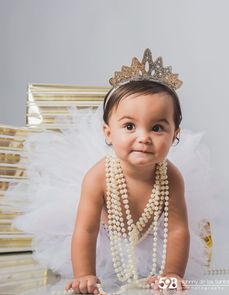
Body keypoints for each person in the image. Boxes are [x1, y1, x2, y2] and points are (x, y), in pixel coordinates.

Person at [10, 49, 211, 294]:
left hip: (151, 236)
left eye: (157, 127)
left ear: (174, 135)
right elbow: (86, 230)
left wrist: (171, 273)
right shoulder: (98, 177)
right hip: (107, 236)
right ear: (108, 133)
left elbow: (177, 229)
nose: (143, 138)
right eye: (129, 126)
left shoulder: (172, 177)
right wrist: (84, 274)